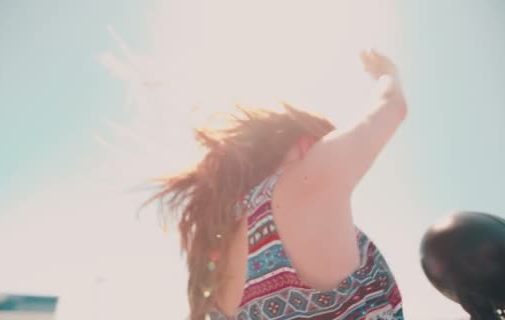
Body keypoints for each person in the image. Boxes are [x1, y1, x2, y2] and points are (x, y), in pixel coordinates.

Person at [143, 50, 407, 320]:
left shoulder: (223, 251)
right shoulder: (303, 182)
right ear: (307, 144)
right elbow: (393, 107)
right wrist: (389, 75)